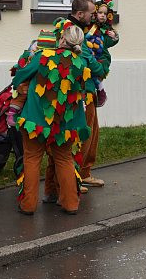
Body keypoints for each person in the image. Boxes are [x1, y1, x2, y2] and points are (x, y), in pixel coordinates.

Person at [11, 22, 90, 215]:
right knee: (64, 159)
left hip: (36, 120)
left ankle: (28, 205)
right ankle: (71, 204)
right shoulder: (82, 64)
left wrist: (26, 61)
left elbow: (19, 76)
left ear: (62, 38)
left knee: (32, 158)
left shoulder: (44, 57)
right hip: (65, 123)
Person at [67, 0, 107, 190]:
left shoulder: (83, 29)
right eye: (91, 13)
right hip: (80, 90)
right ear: (80, 13)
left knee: (93, 132)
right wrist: (101, 70)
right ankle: (76, 174)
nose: (94, 17)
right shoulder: (70, 29)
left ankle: (84, 172)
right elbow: (86, 57)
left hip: (88, 88)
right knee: (83, 133)